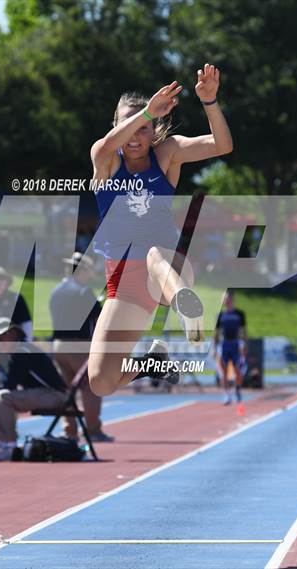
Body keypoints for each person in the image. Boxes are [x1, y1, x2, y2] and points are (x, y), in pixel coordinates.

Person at [88, 63, 233, 397]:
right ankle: (153, 361)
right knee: (100, 382)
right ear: (116, 125)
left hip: (171, 269)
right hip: (123, 283)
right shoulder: (105, 158)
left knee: (153, 254)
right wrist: (145, 113)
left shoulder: (166, 154)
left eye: (143, 128)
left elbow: (222, 146)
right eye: (126, 125)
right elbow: (109, 144)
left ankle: (187, 311)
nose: (135, 135)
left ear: (153, 130)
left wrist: (210, 102)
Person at [0, 318, 68, 462]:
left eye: (1, 337)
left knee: (4, 398)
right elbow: (11, 381)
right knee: (3, 397)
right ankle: (3, 444)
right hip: (50, 394)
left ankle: (6, 445)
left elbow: (9, 384)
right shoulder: (21, 350)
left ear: (13, 334)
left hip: (55, 395)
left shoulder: (23, 351)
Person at [50, 252, 114, 442]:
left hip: (59, 345)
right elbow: (98, 319)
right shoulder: (83, 291)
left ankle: (70, 430)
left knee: (66, 390)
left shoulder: (56, 291)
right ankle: (93, 430)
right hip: (79, 345)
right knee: (91, 388)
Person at [0, 266, 33, 395]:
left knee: (8, 389)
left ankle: (8, 415)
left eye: (0, 278)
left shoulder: (16, 299)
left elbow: (27, 325)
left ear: (7, 281)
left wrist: (25, 348)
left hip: (10, 350)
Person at [213, 291, 248, 405]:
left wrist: (245, 345)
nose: (225, 301)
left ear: (231, 299)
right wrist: (214, 348)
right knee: (224, 372)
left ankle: (237, 388)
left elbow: (244, 331)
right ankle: (227, 395)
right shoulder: (220, 315)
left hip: (236, 344)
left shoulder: (239, 314)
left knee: (237, 370)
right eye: (223, 299)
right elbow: (216, 333)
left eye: (227, 298)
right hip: (224, 345)